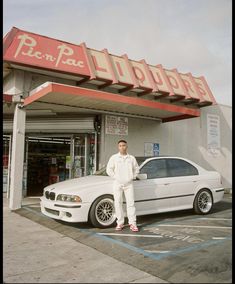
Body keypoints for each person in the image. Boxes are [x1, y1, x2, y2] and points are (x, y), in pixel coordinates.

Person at [106, 140, 139, 232]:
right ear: (118, 147)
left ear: (126, 146)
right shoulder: (114, 157)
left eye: (123, 145)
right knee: (118, 203)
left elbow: (136, 169)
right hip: (117, 184)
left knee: (131, 204)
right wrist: (115, 177)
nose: (122, 147)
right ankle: (120, 223)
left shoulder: (131, 158)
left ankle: (132, 223)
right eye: (120, 146)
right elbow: (109, 169)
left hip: (129, 184)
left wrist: (133, 176)